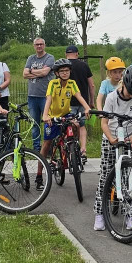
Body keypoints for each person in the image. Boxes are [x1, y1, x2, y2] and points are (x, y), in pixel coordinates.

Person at [93, 65, 132, 231]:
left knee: (129, 179)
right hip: (110, 139)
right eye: (131, 92)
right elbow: (104, 122)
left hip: (127, 140)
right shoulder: (112, 98)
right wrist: (111, 139)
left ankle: (130, 214)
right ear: (124, 84)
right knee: (105, 177)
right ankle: (99, 213)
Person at [41, 58, 91, 188]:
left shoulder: (72, 83)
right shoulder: (53, 83)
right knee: (47, 143)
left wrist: (87, 108)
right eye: (62, 71)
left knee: (76, 124)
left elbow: (79, 96)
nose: (65, 73)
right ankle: (39, 175)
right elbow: (48, 99)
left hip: (66, 114)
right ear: (57, 73)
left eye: (67, 70)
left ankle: (72, 147)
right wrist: (46, 115)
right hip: (52, 116)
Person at [23, 37, 56, 151]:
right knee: (34, 125)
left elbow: (45, 72)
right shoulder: (30, 58)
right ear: (34, 46)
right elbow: (24, 74)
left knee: (49, 123)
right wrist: (39, 73)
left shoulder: (50, 58)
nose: (39, 46)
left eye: (41, 44)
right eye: (37, 44)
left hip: (46, 96)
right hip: (32, 96)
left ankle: (49, 148)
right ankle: (36, 148)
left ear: (44, 45)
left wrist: (31, 71)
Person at [65, 44, 95, 154]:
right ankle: (83, 150)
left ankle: (70, 149)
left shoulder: (63, 67)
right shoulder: (84, 65)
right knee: (82, 126)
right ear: (77, 54)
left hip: (68, 102)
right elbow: (91, 85)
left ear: (66, 54)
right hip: (83, 101)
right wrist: (91, 102)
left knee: (70, 124)